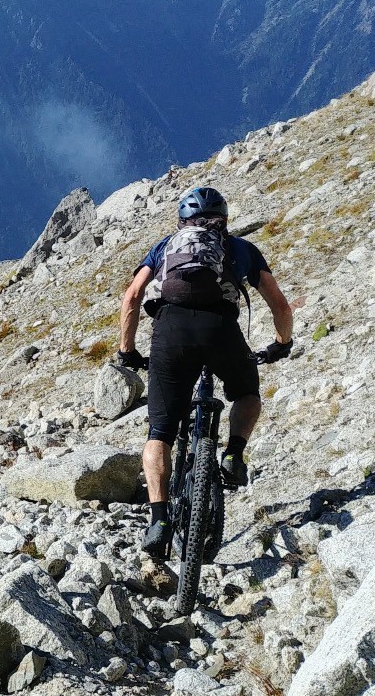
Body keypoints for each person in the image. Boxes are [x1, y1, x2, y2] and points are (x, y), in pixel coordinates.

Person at [115, 185, 293, 556]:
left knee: (160, 432)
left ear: (182, 222)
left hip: (171, 331)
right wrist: (281, 342)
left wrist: (127, 351)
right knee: (246, 394)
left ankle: (159, 519)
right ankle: (233, 453)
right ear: (225, 221)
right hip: (221, 332)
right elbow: (279, 303)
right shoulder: (241, 248)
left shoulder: (165, 246)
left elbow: (132, 297)